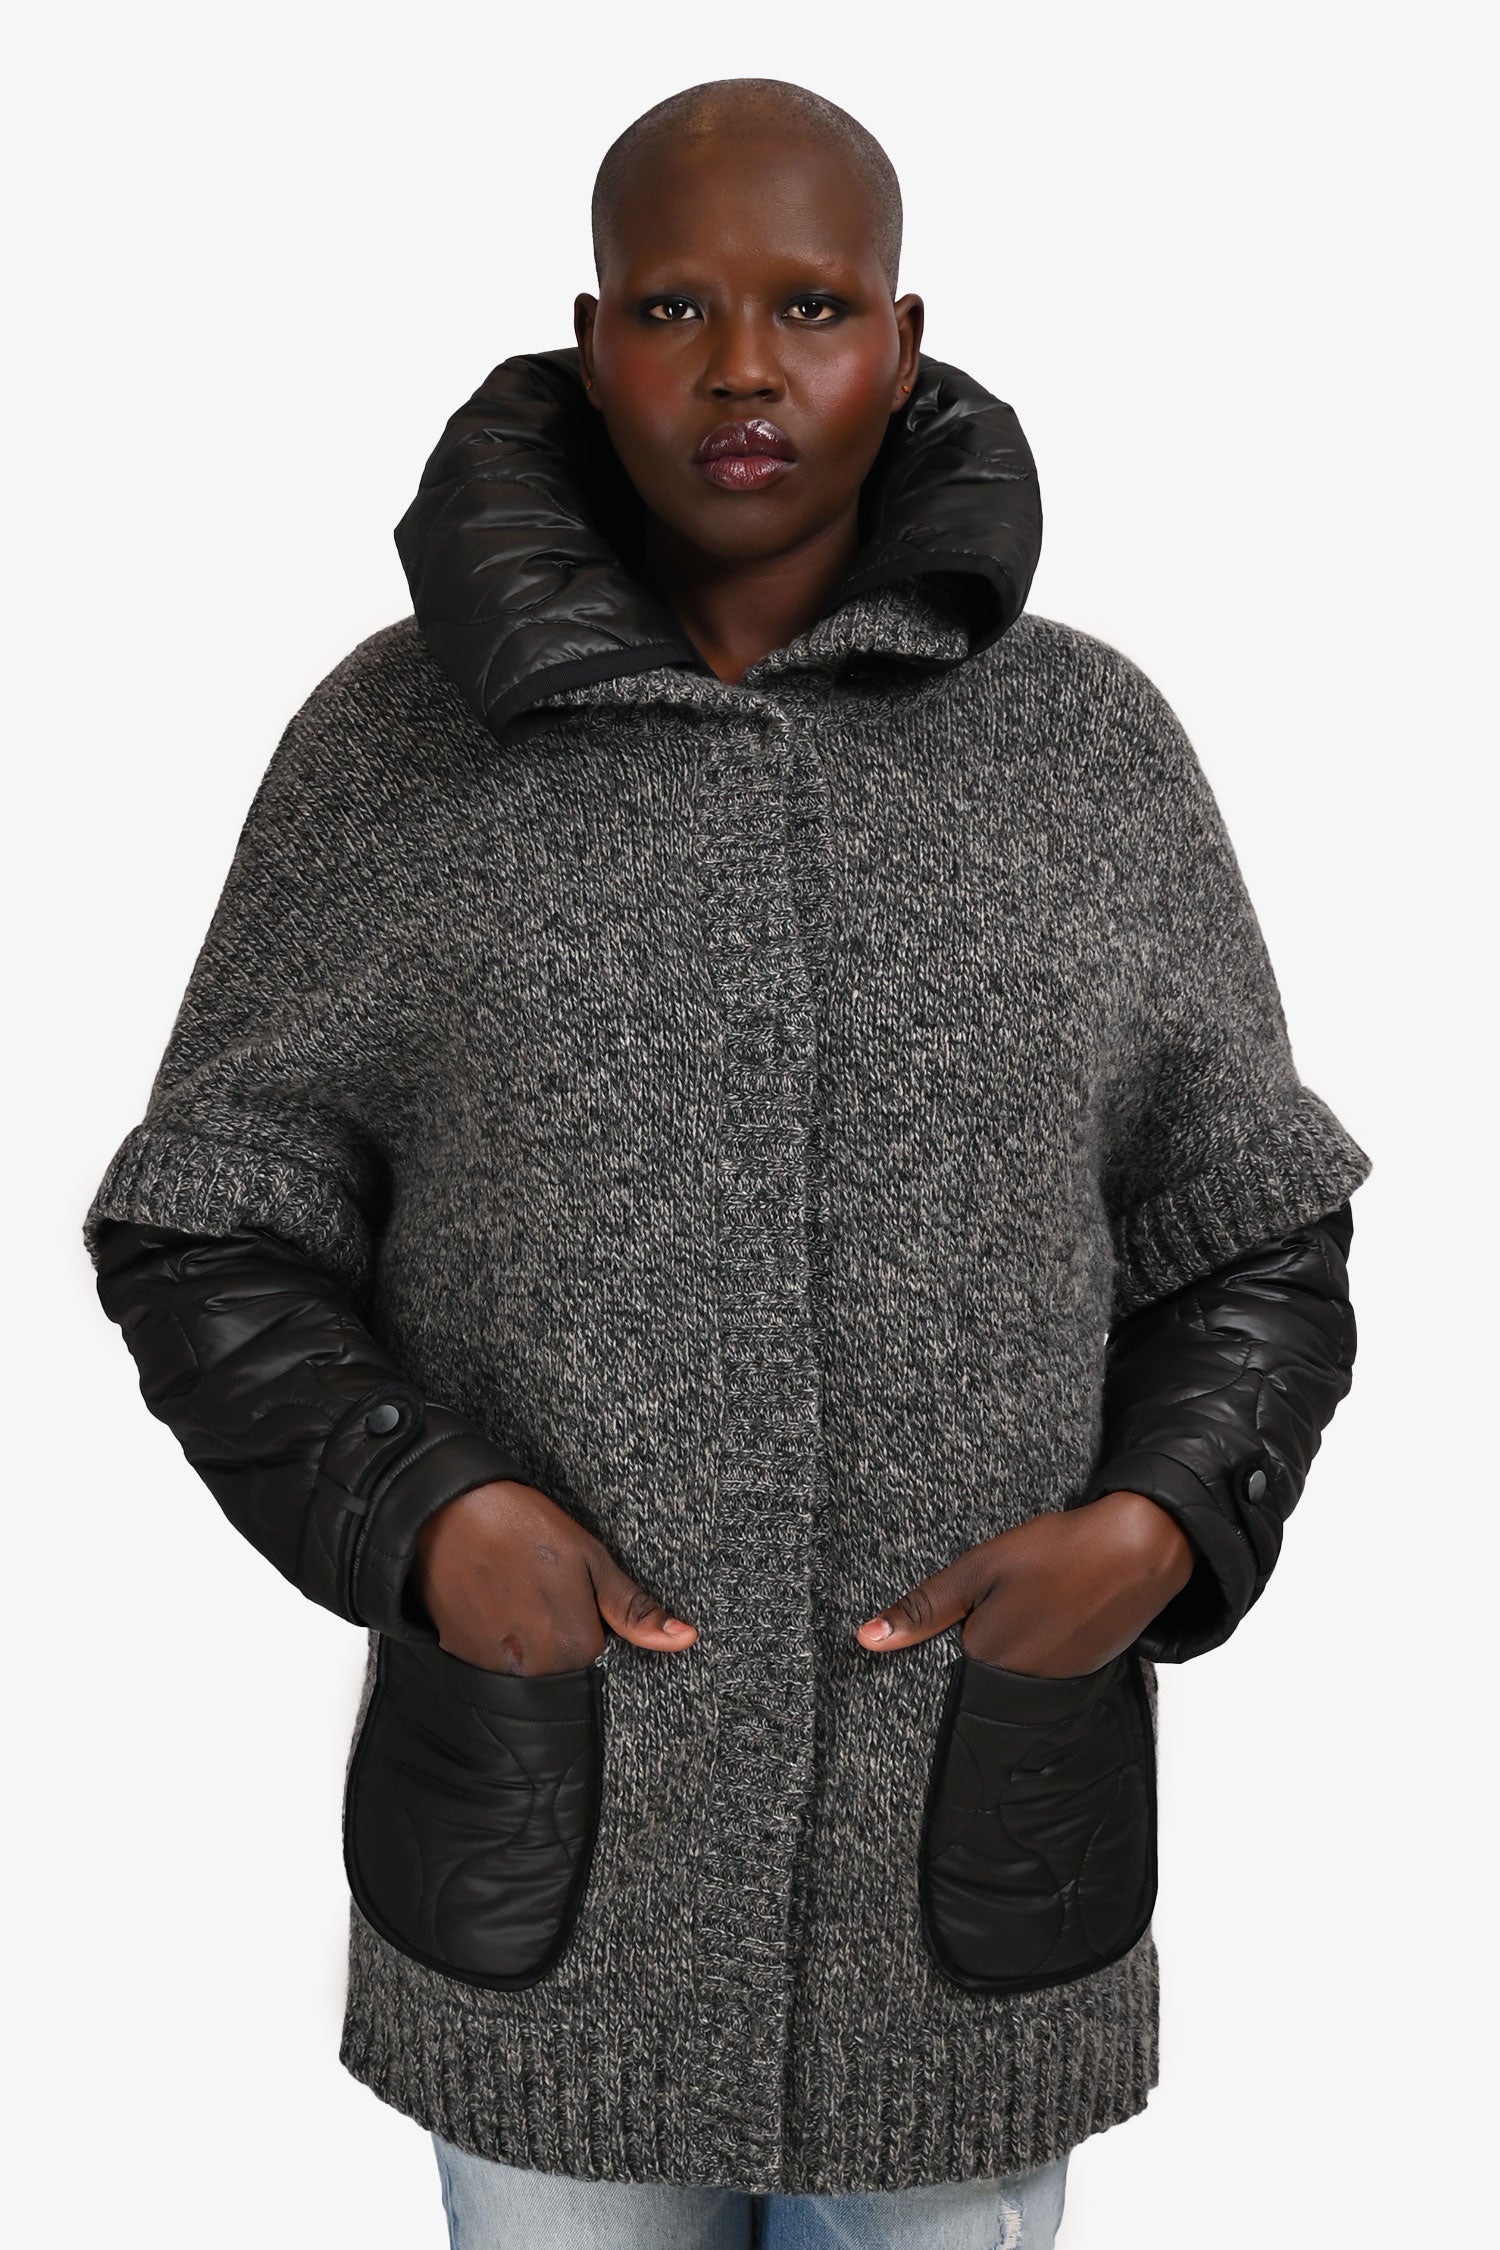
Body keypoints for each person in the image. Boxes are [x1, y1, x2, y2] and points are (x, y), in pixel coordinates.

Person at [81, 76, 1371, 2250]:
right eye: (676, 306)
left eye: (814, 306)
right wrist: (422, 1507)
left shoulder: (1085, 747)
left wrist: (1159, 1526)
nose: (745, 367)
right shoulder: (398, 741)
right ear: (593, 338)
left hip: (968, 1849)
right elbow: (208, 1221)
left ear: (906, 335)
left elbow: (1251, 1231)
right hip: (552, 1853)